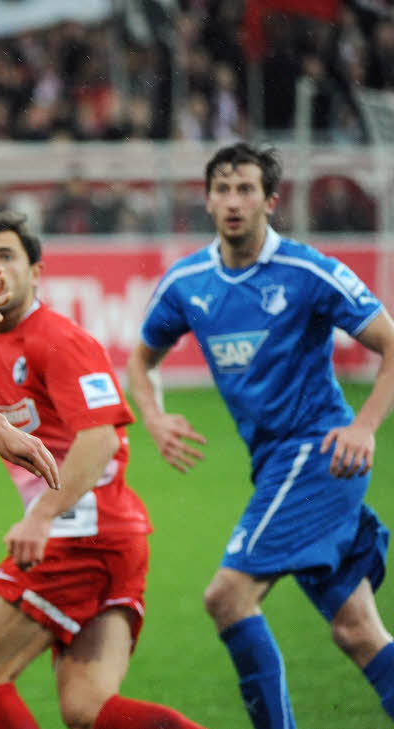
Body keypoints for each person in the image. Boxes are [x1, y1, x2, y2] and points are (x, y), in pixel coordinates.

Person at [0, 211, 208, 729]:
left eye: (7, 256)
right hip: (111, 539)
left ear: (36, 271)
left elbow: (100, 437)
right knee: (87, 709)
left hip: (83, 535)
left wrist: (42, 516)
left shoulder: (59, 339)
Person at [127, 142, 394, 727]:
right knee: (357, 631)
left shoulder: (308, 271)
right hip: (273, 465)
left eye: (246, 189)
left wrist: (365, 425)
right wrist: (155, 416)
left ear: (271, 200)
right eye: (222, 188)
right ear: (207, 199)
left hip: (320, 455)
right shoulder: (188, 282)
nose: (233, 201)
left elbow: (391, 344)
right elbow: (141, 361)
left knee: (226, 597)